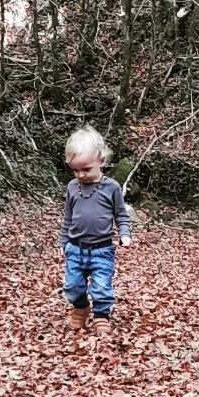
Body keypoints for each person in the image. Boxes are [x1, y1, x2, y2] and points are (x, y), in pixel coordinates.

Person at [59, 126, 132, 334]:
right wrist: (62, 242)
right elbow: (68, 218)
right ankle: (81, 307)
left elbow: (121, 215)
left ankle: (101, 315)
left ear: (101, 160)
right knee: (72, 286)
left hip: (102, 250)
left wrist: (125, 234)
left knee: (101, 287)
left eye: (86, 169)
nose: (80, 175)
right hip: (75, 248)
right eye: (75, 170)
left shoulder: (112, 188)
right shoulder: (73, 187)